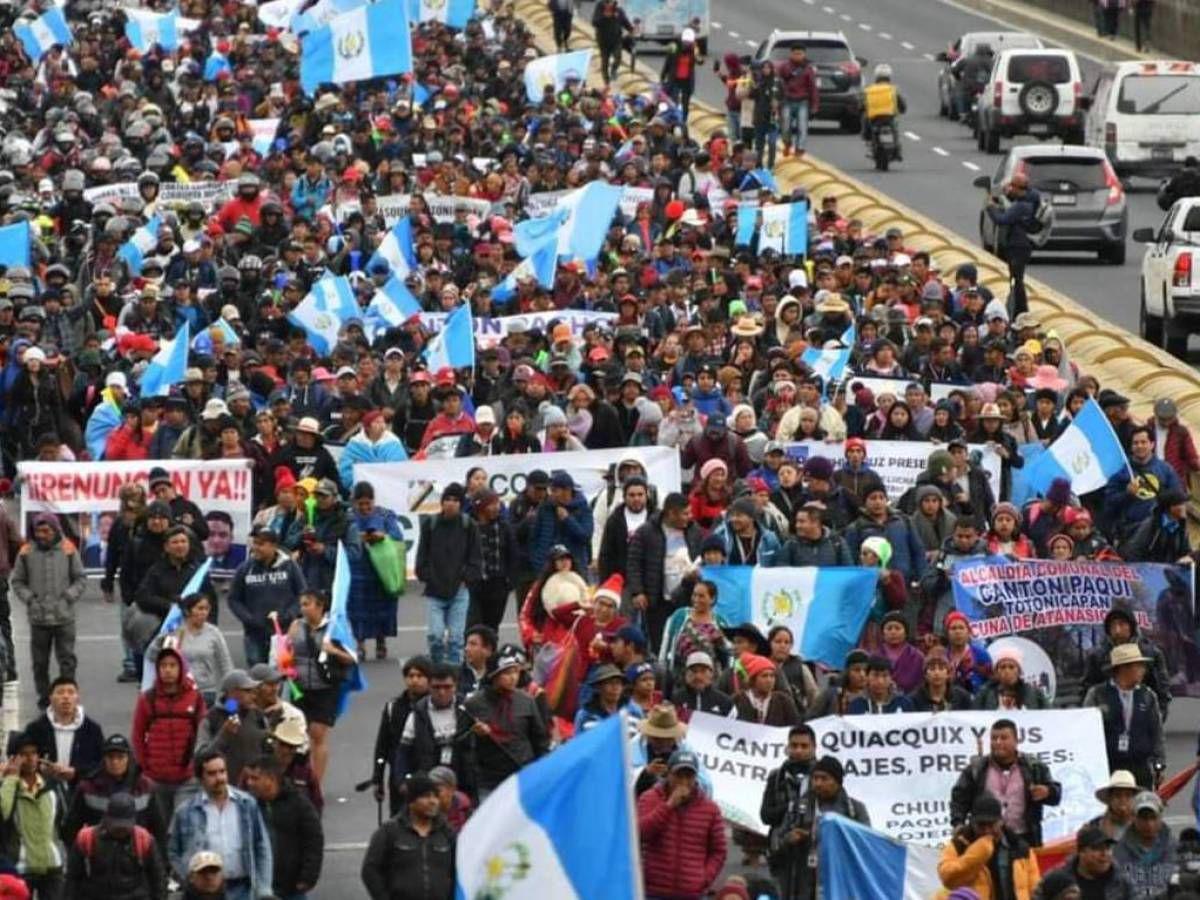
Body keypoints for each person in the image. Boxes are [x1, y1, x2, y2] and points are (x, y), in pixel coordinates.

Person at [167, 750, 273, 900]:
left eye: (222, 771)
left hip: (242, 889)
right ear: (200, 778)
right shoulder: (185, 812)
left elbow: (262, 847)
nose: (219, 778)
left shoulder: (247, 804)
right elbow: (173, 851)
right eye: (212, 773)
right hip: (205, 893)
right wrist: (189, 879)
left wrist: (264, 889)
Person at [11, 515, 87, 709]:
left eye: (46, 531)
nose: (42, 535)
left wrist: (69, 596)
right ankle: (44, 697)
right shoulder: (26, 551)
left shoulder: (68, 549)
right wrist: (30, 598)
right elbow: (17, 581)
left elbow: (80, 578)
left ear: (55, 529)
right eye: (39, 531)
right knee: (39, 662)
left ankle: (67, 693)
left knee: (67, 660)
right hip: (39, 618)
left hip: (64, 617)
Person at [950, 719, 1062, 848]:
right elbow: (959, 799)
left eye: (1004, 738)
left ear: (1016, 740)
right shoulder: (977, 768)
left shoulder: (1034, 767)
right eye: (994, 738)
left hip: (1025, 839)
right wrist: (958, 824)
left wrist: (1048, 792)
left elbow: (1056, 795)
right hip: (985, 840)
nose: (998, 742)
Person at [131, 647, 207, 828]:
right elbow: (137, 735)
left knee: (183, 825)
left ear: (181, 668)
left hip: (187, 778)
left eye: (172, 665)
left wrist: (195, 763)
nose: (167, 670)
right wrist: (145, 766)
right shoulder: (147, 699)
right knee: (160, 827)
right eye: (163, 665)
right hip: (156, 778)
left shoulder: (195, 698)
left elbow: (204, 733)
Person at [284, 589, 356, 783]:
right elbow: (286, 652)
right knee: (298, 735)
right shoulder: (296, 626)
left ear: (320, 605)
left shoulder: (335, 628)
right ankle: (299, 776)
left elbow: (351, 658)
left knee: (317, 734)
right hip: (299, 688)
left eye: (307, 604)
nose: (303, 608)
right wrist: (286, 662)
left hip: (325, 688)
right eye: (301, 604)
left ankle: (316, 782)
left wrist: (333, 650)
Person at [637, 750, 727, 900]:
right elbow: (640, 833)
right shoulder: (649, 798)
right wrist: (668, 805)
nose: (684, 781)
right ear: (668, 775)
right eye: (679, 775)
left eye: (689, 776)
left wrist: (704, 878)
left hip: (691, 893)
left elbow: (719, 851)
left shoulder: (710, 809)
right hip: (653, 891)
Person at [462, 649, 550, 803]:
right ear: (493, 676)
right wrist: (474, 734)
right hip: (489, 780)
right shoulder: (474, 704)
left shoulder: (527, 701)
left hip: (523, 775)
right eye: (507, 673)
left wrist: (541, 771)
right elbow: (461, 742)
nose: (513, 677)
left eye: (515, 672)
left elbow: (540, 739)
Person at [1083, 644, 1165, 790]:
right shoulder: (1097, 694)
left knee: (1141, 808)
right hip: (1108, 766)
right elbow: (1085, 731)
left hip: (1140, 766)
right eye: (1139, 666)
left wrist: (1159, 764)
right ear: (1123, 668)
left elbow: (1156, 732)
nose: (1143, 670)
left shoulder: (1147, 695)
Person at [361, 773, 456, 900]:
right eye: (426, 796)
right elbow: (370, 870)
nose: (433, 801)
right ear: (411, 802)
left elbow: (458, 872)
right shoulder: (389, 832)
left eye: (435, 796)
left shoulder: (447, 833)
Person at [627, 492, 703, 651]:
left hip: (687, 597)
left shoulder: (694, 531)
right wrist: (637, 592)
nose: (689, 517)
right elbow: (634, 562)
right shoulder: (646, 532)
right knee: (660, 644)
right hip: (657, 599)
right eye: (685, 513)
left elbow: (701, 555)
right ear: (671, 513)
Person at [63, 734, 166, 850]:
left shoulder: (146, 787)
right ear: (104, 759)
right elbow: (70, 828)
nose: (115, 762)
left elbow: (159, 829)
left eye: (120, 757)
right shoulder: (87, 788)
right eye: (110, 757)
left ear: (129, 758)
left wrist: (159, 862)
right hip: (99, 855)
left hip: (136, 856)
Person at [416, 483, 481, 665]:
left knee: (456, 640)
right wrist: (427, 575)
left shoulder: (469, 525)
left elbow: (476, 559)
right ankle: (437, 671)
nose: (451, 503)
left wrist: (465, 578)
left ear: (461, 503)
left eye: (455, 500)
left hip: (459, 591)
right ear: (441, 502)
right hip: (434, 592)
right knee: (435, 637)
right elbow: (421, 557)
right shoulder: (431, 524)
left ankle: (454, 678)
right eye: (447, 499)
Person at [243, 755, 323, 900]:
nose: (249, 783)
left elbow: (314, 839)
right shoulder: (248, 805)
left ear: (271, 779)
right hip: (258, 888)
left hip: (292, 888)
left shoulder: (298, 803)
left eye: (255, 778)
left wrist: (308, 877)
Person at [228, 526, 306, 667]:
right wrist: (249, 618)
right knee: (258, 676)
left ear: (274, 546)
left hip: (284, 633)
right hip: (254, 634)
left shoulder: (290, 566)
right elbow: (233, 599)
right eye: (255, 543)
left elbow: (302, 594)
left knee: (284, 674)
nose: (255, 547)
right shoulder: (245, 568)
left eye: (261, 544)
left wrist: (290, 615)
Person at [64, 793, 167, 900]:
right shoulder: (86, 839)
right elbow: (72, 878)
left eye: (125, 825)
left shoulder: (144, 840)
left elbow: (158, 879)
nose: (120, 830)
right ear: (106, 818)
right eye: (116, 824)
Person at [0, 732, 66, 899]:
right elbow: (3, 812)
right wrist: (10, 778)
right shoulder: (7, 787)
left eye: (33, 753)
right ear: (13, 758)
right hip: (20, 868)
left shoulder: (52, 786)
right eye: (23, 754)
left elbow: (65, 820)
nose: (30, 759)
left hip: (52, 866)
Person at [938, 793, 1040, 900]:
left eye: (991, 825)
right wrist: (977, 855)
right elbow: (947, 879)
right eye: (981, 825)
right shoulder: (959, 846)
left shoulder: (1021, 848)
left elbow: (1035, 890)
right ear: (972, 823)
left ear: (1001, 822)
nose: (987, 831)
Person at [1081, 607, 1171, 722]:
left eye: (1122, 624)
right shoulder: (1097, 656)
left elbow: (1162, 689)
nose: (1117, 630)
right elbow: (1087, 689)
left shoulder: (1151, 654)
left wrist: (1157, 718)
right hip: (1107, 719)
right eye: (1113, 626)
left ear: (1131, 627)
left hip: (1143, 718)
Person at [759, 725, 818, 900]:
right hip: (782, 853)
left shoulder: (823, 777)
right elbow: (766, 815)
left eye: (804, 746)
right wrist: (792, 806)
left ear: (814, 748)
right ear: (787, 747)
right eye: (794, 745)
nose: (798, 750)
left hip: (812, 856)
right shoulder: (776, 777)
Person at [15, 676, 104, 791]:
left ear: (77, 698)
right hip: (43, 791)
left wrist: (76, 772)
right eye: (60, 692)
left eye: (71, 692)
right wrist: (40, 768)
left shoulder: (92, 729)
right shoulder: (35, 729)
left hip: (81, 792)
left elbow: (101, 764)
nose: (66, 697)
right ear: (51, 698)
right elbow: (21, 759)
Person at [372, 655, 433, 817]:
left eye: (420, 676)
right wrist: (378, 778)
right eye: (410, 676)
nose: (414, 680)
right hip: (399, 776)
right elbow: (382, 744)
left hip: (427, 771)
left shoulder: (434, 706)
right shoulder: (393, 707)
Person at [400, 665, 473, 796]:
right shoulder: (418, 713)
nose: (442, 692)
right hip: (429, 785)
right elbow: (403, 751)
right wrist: (403, 781)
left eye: (447, 687)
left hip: (464, 782)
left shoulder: (468, 708)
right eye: (436, 687)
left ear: (455, 686)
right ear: (429, 686)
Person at [195, 671, 272, 786]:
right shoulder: (212, 718)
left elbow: (267, 752)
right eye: (247, 691)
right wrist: (224, 734)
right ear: (232, 693)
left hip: (254, 787)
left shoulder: (258, 716)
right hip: (223, 788)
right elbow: (201, 757)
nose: (253, 696)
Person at [984, 172, 1041, 317]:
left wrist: (990, 207)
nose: (1009, 188)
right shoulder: (1031, 199)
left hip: (1017, 246)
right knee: (1017, 278)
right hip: (1024, 245)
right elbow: (1012, 202)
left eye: (1012, 186)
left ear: (1018, 188)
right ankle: (1019, 308)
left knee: (1016, 280)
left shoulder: (1022, 206)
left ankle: (1020, 310)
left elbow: (1001, 220)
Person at [1112, 791, 1175, 900]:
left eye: (1153, 817)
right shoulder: (1117, 851)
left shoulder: (1175, 848)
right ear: (1133, 818)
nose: (1149, 824)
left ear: (1160, 817)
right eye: (1143, 818)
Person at [1061, 825, 1134, 899]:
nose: (1105, 854)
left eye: (1108, 848)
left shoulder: (1123, 881)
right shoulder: (1060, 881)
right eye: (1097, 848)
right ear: (1081, 852)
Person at [777, 44, 819, 158]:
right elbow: (777, 84)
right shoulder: (784, 67)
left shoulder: (808, 69)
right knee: (785, 125)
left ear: (804, 54)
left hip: (802, 102)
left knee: (802, 127)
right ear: (791, 54)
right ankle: (787, 143)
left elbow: (813, 88)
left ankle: (800, 149)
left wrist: (814, 105)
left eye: (800, 54)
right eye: (795, 53)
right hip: (787, 100)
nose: (797, 56)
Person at [862, 63, 906, 158]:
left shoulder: (869, 89)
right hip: (889, 117)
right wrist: (902, 110)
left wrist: (861, 110)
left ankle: (869, 145)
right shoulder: (893, 89)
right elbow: (902, 104)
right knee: (895, 129)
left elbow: (862, 104)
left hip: (874, 119)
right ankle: (897, 148)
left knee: (866, 125)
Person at [1084, 770, 1140, 842]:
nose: (1123, 800)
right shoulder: (1094, 827)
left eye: (1128, 795)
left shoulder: (1144, 824)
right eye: (1117, 795)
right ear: (1110, 799)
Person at [847, 656, 914, 714]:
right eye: (875, 675)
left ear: (891, 678)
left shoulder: (904, 703)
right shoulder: (856, 705)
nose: (880, 681)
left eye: (885, 676)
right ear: (867, 676)